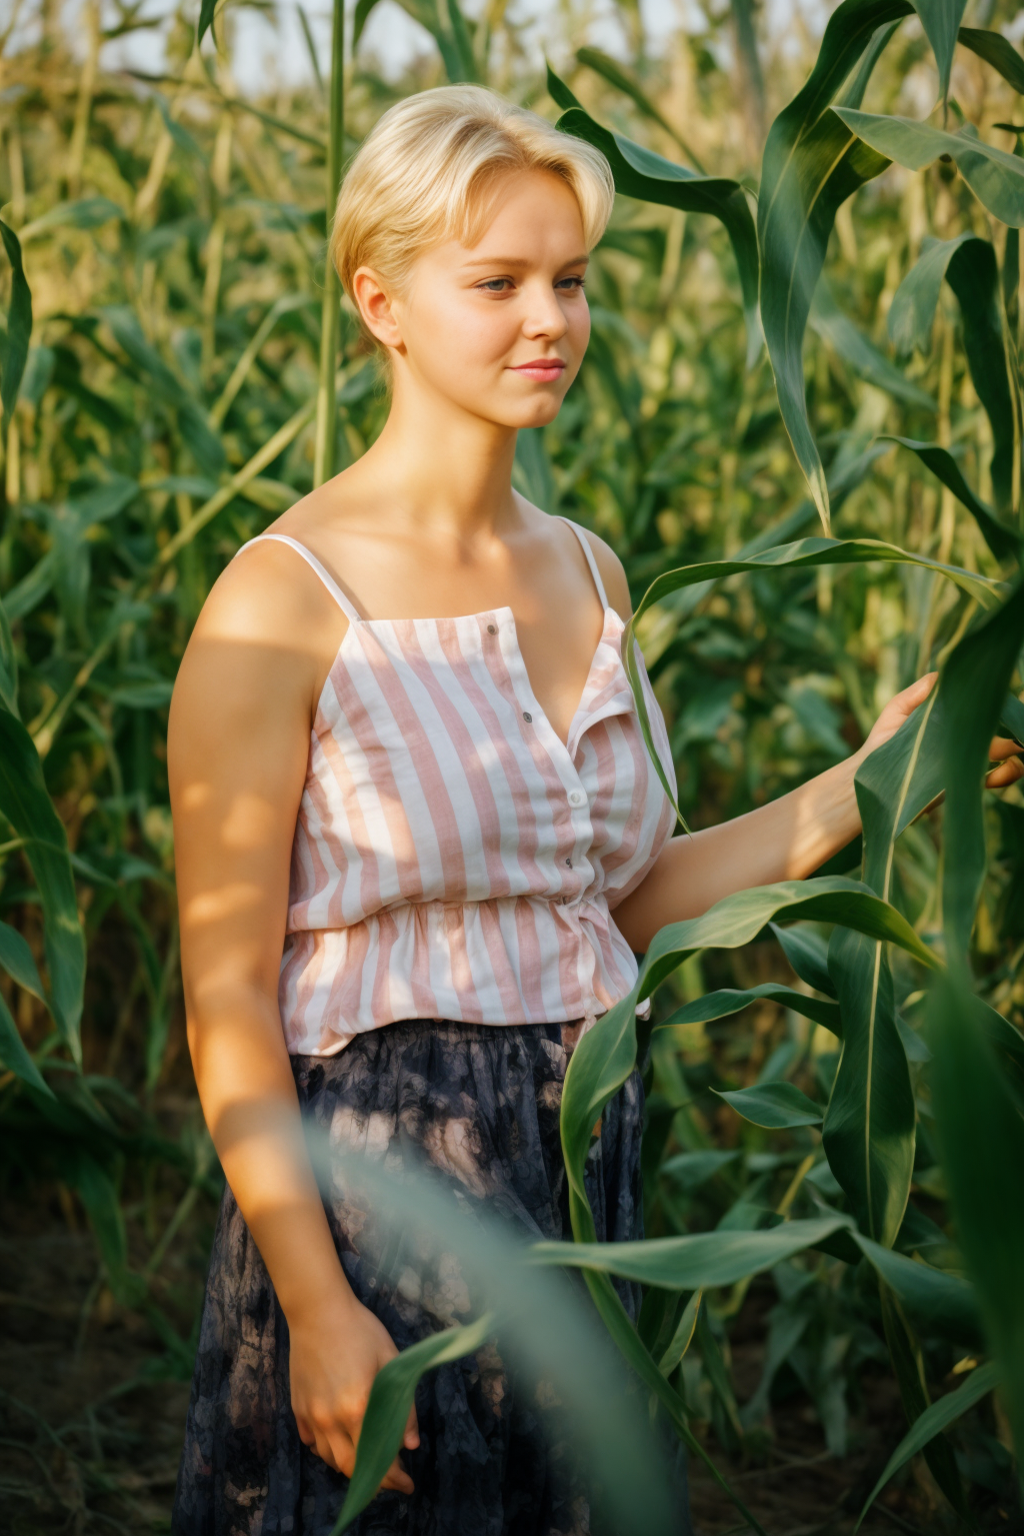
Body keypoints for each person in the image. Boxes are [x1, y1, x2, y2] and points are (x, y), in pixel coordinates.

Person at [167, 85, 1022, 1536]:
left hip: (587, 1155)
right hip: (387, 1198)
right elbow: (229, 1000)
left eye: (569, 279)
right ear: (380, 301)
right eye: (495, 283)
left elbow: (609, 905)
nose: (548, 318)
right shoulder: (280, 602)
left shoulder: (592, 571)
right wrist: (315, 1302)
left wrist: (872, 785)